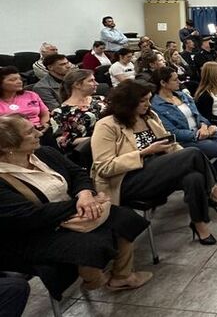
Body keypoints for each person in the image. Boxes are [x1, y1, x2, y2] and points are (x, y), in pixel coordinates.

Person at [0, 114, 153, 291]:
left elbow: (77, 173)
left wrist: (85, 194)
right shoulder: (4, 179)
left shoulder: (43, 153)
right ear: (7, 146)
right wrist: (79, 204)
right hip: (39, 230)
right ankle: (94, 280)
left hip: (74, 212)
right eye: (29, 132)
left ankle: (122, 276)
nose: (39, 133)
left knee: (123, 216)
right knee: (92, 245)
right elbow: (29, 215)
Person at [91, 80, 217, 245]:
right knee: (192, 153)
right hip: (128, 180)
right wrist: (143, 153)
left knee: (194, 177)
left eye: (149, 99)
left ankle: (200, 225)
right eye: (143, 101)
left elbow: (169, 143)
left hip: (158, 169)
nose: (148, 104)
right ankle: (215, 192)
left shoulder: (150, 117)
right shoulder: (106, 125)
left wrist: (178, 156)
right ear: (127, 102)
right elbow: (104, 167)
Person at [151, 67, 217, 191]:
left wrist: (205, 126)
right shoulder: (157, 106)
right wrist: (199, 134)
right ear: (163, 83)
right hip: (188, 139)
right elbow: (173, 132)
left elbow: (199, 115)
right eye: (175, 80)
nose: (179, 82)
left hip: (203, 130)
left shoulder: (182, 96)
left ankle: (213, 179)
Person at [51, 70, 106, 161]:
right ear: (77, 85)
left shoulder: (100, 99)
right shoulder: (60, 112)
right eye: (91, 81)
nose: (96, 83)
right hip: (90, 151)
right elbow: (64, 141)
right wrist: (98, 138)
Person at [0, 66, 51, 133]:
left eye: (19, 79)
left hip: (37, 131)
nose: (19, 82)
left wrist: (44, 126)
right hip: (9, 135)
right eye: (12, 80)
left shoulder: (31, 95)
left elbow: (45, 113)